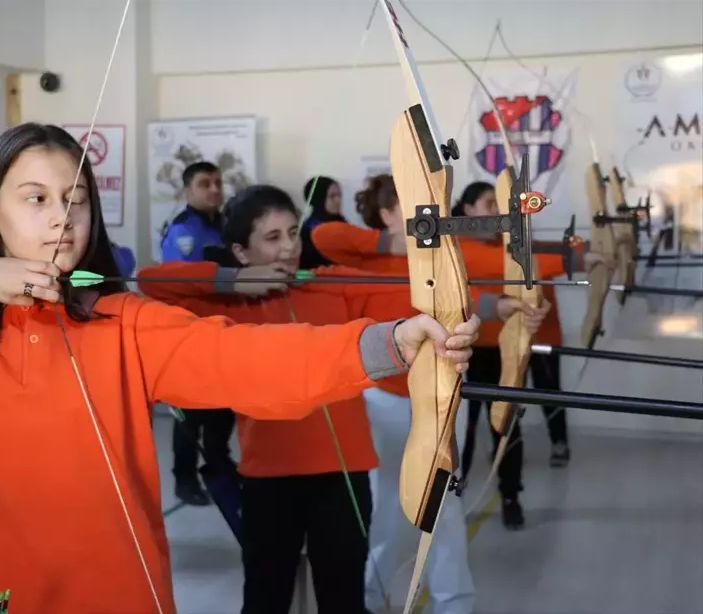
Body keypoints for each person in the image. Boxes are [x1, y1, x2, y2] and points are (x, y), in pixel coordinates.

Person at [0, 123, 482, 614]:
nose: (61, 218)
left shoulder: (123, 322)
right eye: (34, 198)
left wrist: (391, 341)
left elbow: (252, 361)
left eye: (76, 199)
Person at [137, 184, 532, 614]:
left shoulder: (328, 285)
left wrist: (501, 305)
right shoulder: (230, 306)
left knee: (342, 598)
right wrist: (231, 278)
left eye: (292, 233)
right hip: (268, 478)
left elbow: (411, 296)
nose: (289, 247)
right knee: (266, 597)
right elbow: (150, 281)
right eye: (272, 238)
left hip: (343, 476)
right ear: (242, 250)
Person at [312, 174, 544, 613]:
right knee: (381, 510)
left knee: (444, 508)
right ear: (385, 214)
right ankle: (368, 598)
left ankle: (453, 602)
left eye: (431, 206)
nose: (430, 215)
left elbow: (460, 297)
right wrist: (398, 243)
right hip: (380, 402)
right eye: (415, 207)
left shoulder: (437, 256)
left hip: (438, 400)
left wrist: (506, 307)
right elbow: (323, 233)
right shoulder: (360, 259)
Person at [450, 181, 611, 530]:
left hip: (507, 349)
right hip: (468, 351)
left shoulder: (509, 243)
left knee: (507, 426)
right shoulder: (456, 248)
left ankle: (510, 496)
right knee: (460, 430)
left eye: (498, 204)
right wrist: (573, 258)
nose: (496, 211)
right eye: (489, 204)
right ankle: (451, 501)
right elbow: (521, 263)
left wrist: (583, 252)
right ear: (466, 211)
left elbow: (539, 250)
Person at [159, 160, 235, 506]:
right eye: (205, 184)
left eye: (218, 183)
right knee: (190, 416)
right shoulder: (182, 231)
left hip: (224, 331)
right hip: (188, 336)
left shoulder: (225, 225)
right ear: (187, 190)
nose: (214, 189)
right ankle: (184, 479)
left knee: (223, 409)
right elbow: (181, 284)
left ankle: (219, 464)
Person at [299, 175, 346, 269]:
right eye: (332, 196)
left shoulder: (341, 222)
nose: (338, 200)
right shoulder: (309, 231)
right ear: (319, 198)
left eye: (339, 195)